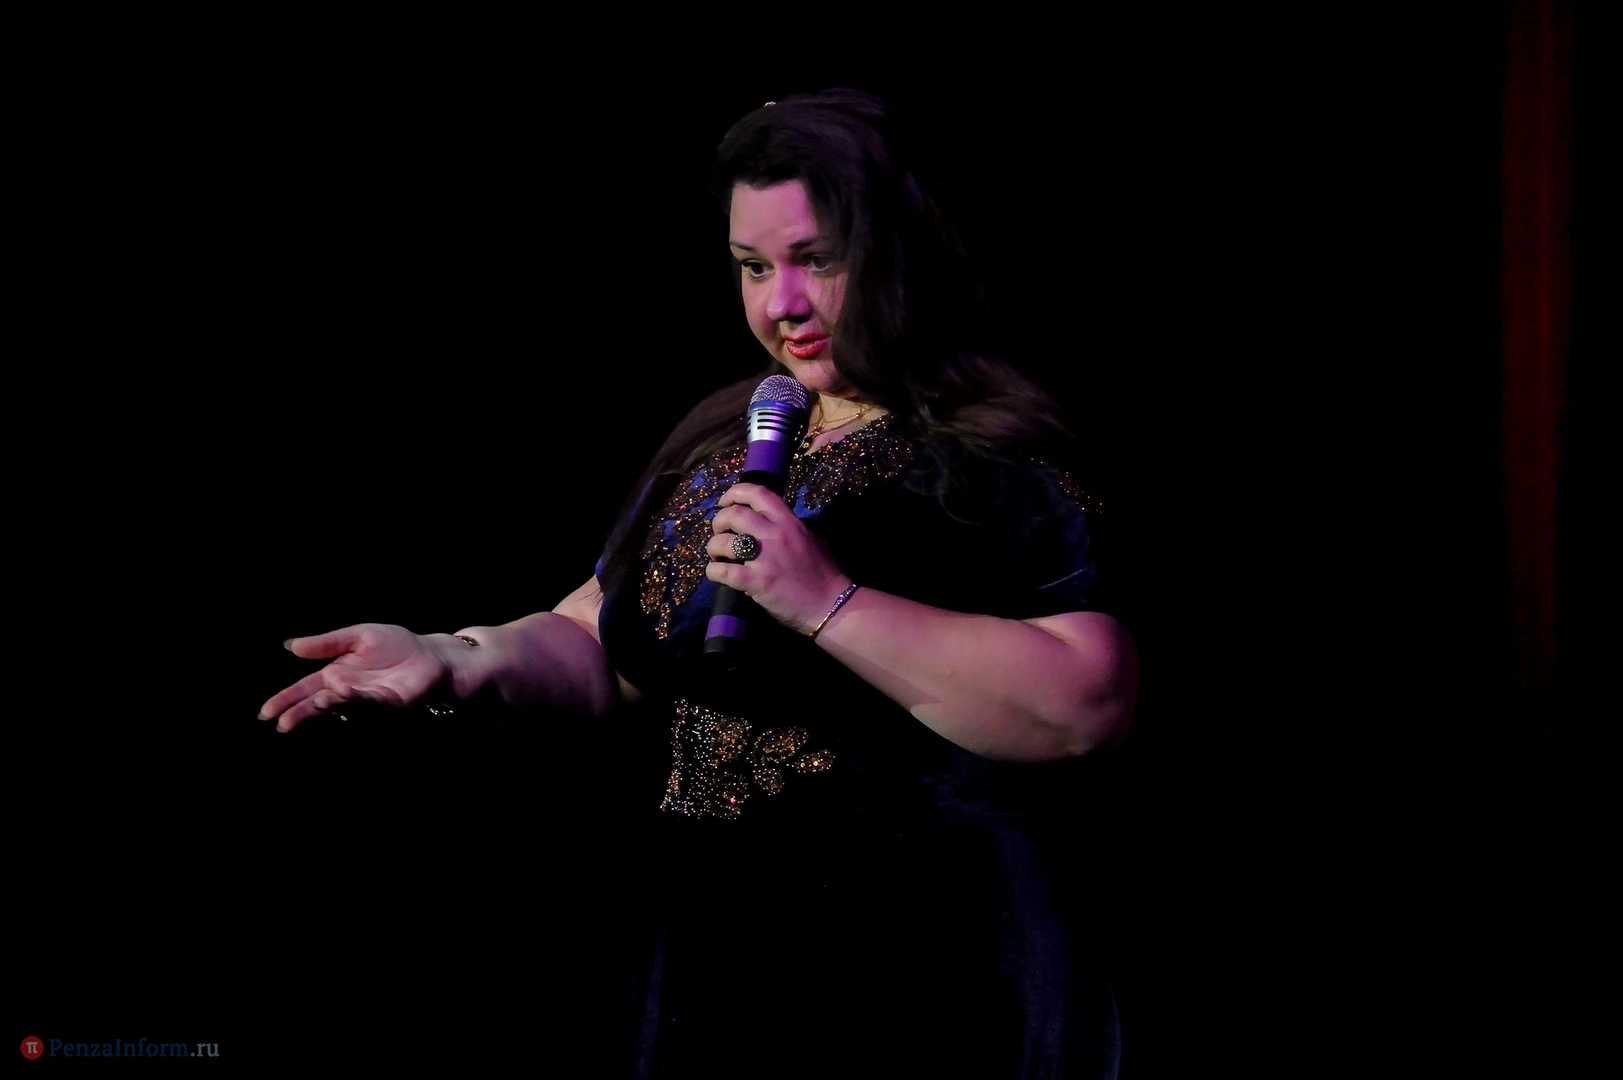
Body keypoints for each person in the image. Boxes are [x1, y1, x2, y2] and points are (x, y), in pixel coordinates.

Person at [261, 89, 1138, 1078]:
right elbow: (600, 638)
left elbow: (1085, 701)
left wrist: (827, 603)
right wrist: (456, 658)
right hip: (720, 947)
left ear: (899, 247)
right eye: (753, 267)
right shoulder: (730, 433)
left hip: (925, 962)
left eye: (816, 260)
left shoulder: (993, 454)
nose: (780, 305)